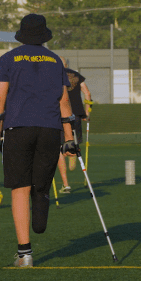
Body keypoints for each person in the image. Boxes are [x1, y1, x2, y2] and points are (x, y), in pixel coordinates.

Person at [0, 14, 78, 268]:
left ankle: (24, 253)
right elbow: (64, 101)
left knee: (20, 187)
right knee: (41, 183)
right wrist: (69, 138)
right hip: (50, 129)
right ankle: (40, 212)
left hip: (18, 128)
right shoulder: (54, 61)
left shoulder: (7, 59)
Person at [57, 59, 93, 193]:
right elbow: (87, 93)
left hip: (60, 116)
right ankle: (72, 153)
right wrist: (87, 111)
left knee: (59, 149)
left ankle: (66, 184)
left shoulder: (54, 74)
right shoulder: (76, 76)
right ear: (66, 64)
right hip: (77, 115)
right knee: (73, 142)